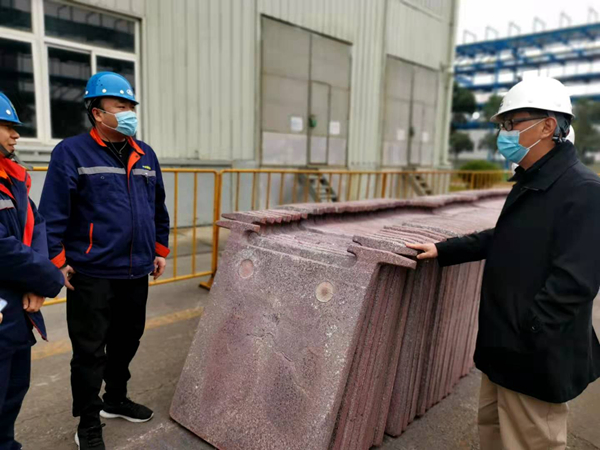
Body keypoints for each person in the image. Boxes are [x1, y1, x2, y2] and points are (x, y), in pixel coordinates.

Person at [408, 77, 600, 450]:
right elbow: (507, 236)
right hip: (505, 348)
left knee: (531, 442)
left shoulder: (583, 191)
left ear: (547, 126)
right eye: (503, 125)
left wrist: (528, 333)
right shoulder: (534, 181)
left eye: (512, 123)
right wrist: (445, 250)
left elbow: (575, 283)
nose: (504, 133)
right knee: (494, 433)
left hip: (532, 356)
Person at [39, 72, 170, 450]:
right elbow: (53, 211)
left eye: (131, 106)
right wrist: (57, 259)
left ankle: (115, 399)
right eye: (121, 106)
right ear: (97, 113)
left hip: (136, 269)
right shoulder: (71, 152)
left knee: (127, 340)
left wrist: (159, 249)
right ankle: (88, 422)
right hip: (91, 271)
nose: (129, 113)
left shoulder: (145, 154)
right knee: (89, 352)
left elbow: (157, 207)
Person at [0, 92, 65, 450]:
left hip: (15, 312)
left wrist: (37, 283)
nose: (16, 134)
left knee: (12, 393)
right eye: (7, 126)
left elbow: (35, 225)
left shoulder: (12, 177)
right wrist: (50, 278)